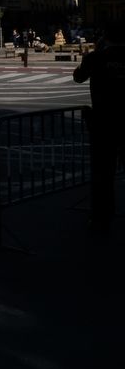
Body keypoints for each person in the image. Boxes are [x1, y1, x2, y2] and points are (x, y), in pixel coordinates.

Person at [73, 24, 125, 235]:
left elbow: (78, 77)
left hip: (104, 122)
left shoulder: (96, 58)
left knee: (103, 173)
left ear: (105, 38)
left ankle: (101, 217)